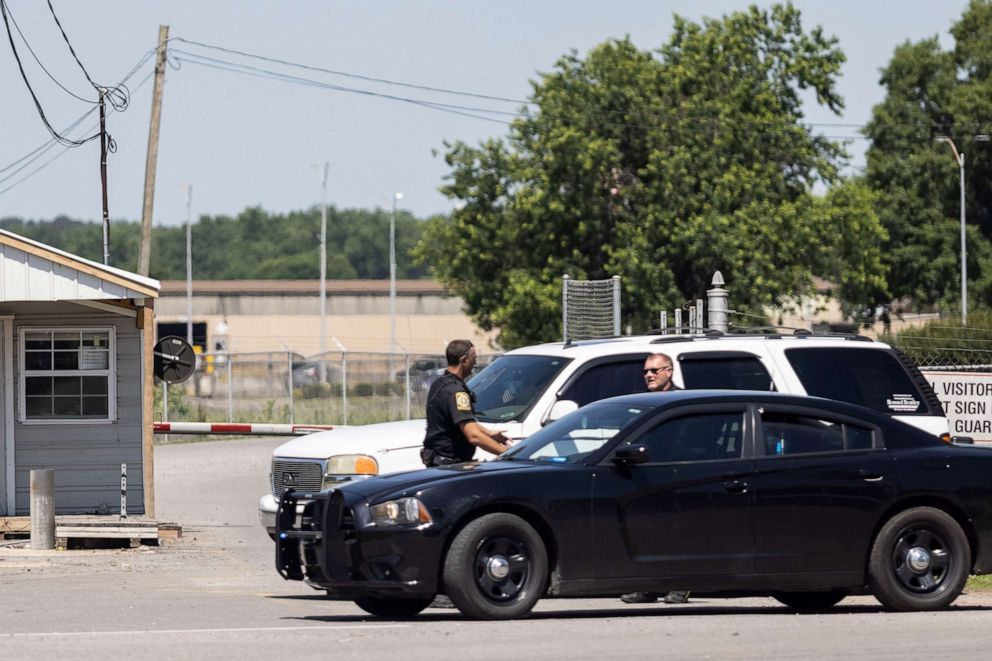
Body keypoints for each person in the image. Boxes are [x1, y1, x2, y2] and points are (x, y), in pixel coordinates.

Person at [621, 352, 691, 606]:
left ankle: (679, 586)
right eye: (646, 371)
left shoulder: (681, 402)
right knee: (648, 532)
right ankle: (647, 587)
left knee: (675, 532)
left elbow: (686, 442)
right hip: (647, 475)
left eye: (654, 370)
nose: (649, 375)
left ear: (669, 372)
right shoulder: (645, 403)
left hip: (674, 476)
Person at [421, 339, 510, 467]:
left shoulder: (440, 383)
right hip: (449, 466)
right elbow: (473, 435)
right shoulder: (457, 392)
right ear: (464, 360)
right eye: (473, 358)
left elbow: (463, 421)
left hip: (439, 462)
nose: (475, 362)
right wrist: (506, 453)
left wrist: (488, 434)